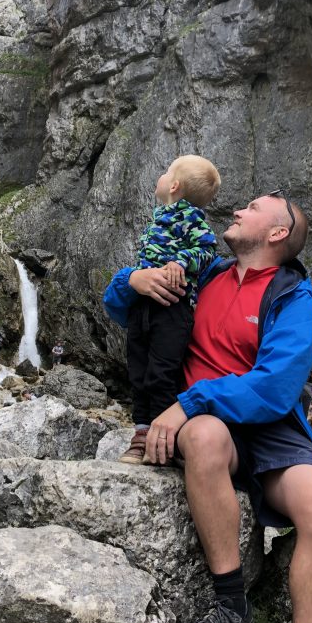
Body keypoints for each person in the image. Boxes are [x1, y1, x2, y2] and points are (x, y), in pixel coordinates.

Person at [103, 191, 312, 623]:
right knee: (207, 438)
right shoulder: (201, 273)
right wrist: (131, 281)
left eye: (252, 208)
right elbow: (124, 312)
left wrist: (186, 402)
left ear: (277, 233)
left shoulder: (294, 298)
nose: (237, 211)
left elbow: (276, 388)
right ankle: (232, 610)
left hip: (270, 425)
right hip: (215, 427)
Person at [117, 155, 221, 465]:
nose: (160, 176)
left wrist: (179, 262)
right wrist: (134, 279)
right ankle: (141, 433)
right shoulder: (159, 216)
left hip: (172, 309)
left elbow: (206, 248)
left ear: (173, 185)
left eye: (166, 172)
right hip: (143, 307)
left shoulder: (191, 217)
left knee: (161, 373)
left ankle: (162, 441)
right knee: (138, 369)